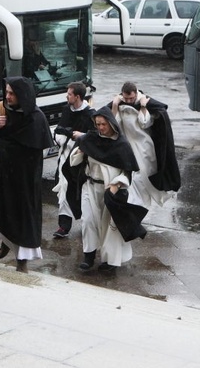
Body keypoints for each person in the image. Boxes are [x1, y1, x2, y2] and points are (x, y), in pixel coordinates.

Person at [0, 76, 54, 273]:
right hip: (2, 172)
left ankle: (22, 261)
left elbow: (37, 149)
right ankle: (5, 241)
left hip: (24, 179)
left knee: (22, 218)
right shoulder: (3, 109)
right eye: (7, 92)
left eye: (12, 93)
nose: (8, 96)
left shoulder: (36, 118)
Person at [70, 106, 145, 273]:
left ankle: (110, 261)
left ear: (111, 123)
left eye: (103, 124)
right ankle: (88, 257)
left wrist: (117, 184)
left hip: (110, 191)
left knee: (109, 227)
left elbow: (127, 171)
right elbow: (74, 162)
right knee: (88, 221)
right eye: (97, 124)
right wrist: (80, 150)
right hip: (90, 187)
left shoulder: (122, 145)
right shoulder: (90, 138)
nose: (100, 128)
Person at [109, 82, 180, 210]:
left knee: (140, 180)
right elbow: (114, 124)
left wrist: (143, 107)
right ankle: (135, 209)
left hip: (144, 148)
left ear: (136, 93)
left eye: (131, 98)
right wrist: (115, 105)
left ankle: (139, 209)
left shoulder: (145, 102)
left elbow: (144, 123)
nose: (129, 101)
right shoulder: (119, 103)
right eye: (126, 99)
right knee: (130, 180)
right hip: (128, 146)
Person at [51, 82, 96, 238]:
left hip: (81, 159)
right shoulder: (66, 110)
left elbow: (95, 136)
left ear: (77, 96)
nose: (67, 96)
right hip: (65, 156)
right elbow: (59, 130)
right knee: (64, 189)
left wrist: (80, 137)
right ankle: (64, 226)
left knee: (82, 192)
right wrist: (62, 137)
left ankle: (87, 225)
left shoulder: (90, 114)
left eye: (69, 94)